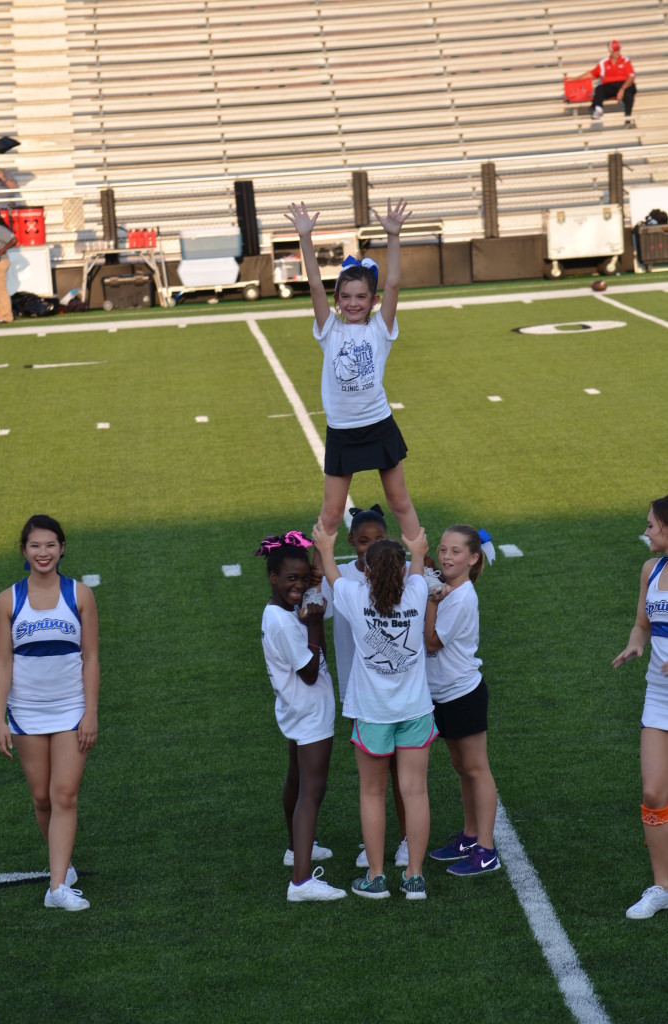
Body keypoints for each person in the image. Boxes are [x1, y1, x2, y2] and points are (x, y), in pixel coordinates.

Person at [284, 199, 420, 566]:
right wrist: (305, 238)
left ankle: (424, 568)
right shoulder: (329, 331)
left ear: (373, 301)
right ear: (337, 301)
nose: (353, 302)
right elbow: (314, 283)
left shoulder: (381, 328)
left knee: (399, 501)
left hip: (379, 425)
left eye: (361, 296)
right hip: (343, 430)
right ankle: (315, 582)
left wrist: (393, 236)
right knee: (330, 515)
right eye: (346, 297)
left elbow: (393, 283)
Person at [313, 518, 436, 900]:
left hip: (371, 714)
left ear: (364, 568)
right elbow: (417, 566)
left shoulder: (354, 595)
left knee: (371, 793)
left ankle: (377, 876)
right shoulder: (416, 590)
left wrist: (325, 543)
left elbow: (331, 572)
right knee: (415, 792)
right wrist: (416, 549)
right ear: (400, 569)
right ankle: (414, 876)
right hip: (415, 710)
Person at [0, 514, 99, 911]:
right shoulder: (7, 600)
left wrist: (90, 713)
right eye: (35, 545)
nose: (43, 552)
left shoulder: (81, 595)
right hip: (25, 713)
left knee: (64, 794)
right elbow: (3, 663)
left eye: (50, 544)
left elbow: (91, 659)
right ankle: (63, 866)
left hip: (71, 710)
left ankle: (57, 888)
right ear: (24, 550)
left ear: (62, 547)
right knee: (42, 798)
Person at [257, 530, 346, 902]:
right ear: (273, 578)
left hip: (295, 709)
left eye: (302, 578)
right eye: (290, 579)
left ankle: (296, 849)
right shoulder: (284, 621)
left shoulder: (281, 610)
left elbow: (318, 652)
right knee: (313, 789)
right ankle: (301, 881)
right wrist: (312, 623)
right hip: (310, 711)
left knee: (295, 779)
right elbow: (310, 671)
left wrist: (313, 617)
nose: (298, 586)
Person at [320, 504, 409, 869]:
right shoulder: (339, 577)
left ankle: (405, 840)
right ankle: (372, 843)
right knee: (373, 776)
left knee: (400, 773)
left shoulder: (401, 576)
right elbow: (313, 605)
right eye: (362, 541)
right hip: (361, 694)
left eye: (378, 539)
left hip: (399, 693)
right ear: (351, 542)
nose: (369, 546)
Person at [424, 526, 501, 877]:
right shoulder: (450, 591)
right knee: (461, 768)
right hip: (445, 694)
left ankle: (486, 849)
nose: (446, 557)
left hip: (463, 694)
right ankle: (470, 836)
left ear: (473, 558)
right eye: (442, 550)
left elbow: (432, 642)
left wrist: (430, 600)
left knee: (476, 768)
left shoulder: (460, 596)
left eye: (455, 551)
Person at [613, 496, 668, 920]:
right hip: (658, 694)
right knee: (652, 792)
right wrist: (636, 642)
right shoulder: (651, 570)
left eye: (651, 525)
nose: (646, 531)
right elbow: (642, 623)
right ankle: (662, 886)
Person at [568, 39, 636, 125]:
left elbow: (631, 76)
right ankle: (598, 109)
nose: (617, 52)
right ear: (610, 51)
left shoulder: (625, 60)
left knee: (630, 91)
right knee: (599, 89)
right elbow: (592, 74)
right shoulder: (604, 63)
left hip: (624, 85)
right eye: (615, 50)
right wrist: (575, 79)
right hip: (610, 86)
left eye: (618, 50)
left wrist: (622, 89)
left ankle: (628, 118)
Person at [0, 207, 17, 324]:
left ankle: (6, 316)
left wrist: (1, 251)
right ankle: (0, 315)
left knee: (0, 290)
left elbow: (14, 240)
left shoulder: (0, 229)